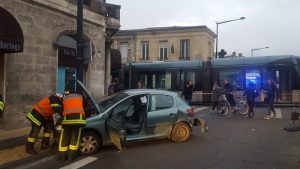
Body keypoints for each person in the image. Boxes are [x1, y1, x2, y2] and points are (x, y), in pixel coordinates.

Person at [58, 92, 86, 161]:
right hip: (78, 120)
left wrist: (63, 115)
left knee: (64, 137)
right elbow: (85, 107)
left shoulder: (65, 98)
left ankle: (62, 156)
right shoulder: (81, 96)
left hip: (66, 120)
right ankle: (71, 156)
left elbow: (60, 109)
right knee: (75, 137)